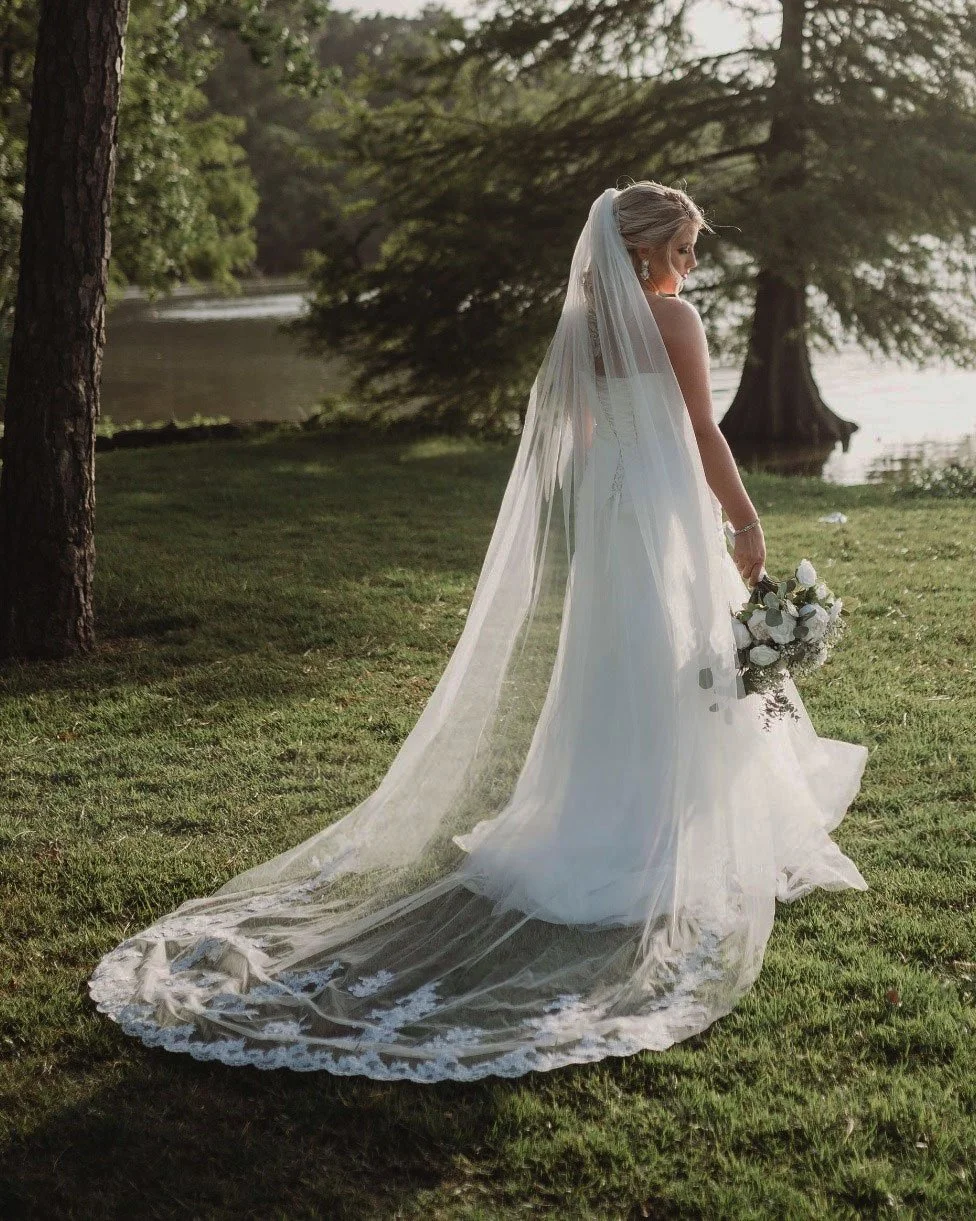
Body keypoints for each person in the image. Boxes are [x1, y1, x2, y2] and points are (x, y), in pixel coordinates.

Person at [89, 182, 869, 1082]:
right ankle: (671, 829)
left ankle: (602, 819)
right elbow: (701, 431)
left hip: (611, 526)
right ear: (649, 252)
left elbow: (570, 439)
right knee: (681, 660)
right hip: (666, 517)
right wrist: (744, 522)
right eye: (686, 248)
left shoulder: (583, 328)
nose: (692, 265)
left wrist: (621, 469)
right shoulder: (676, 323)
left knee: (615, 662)